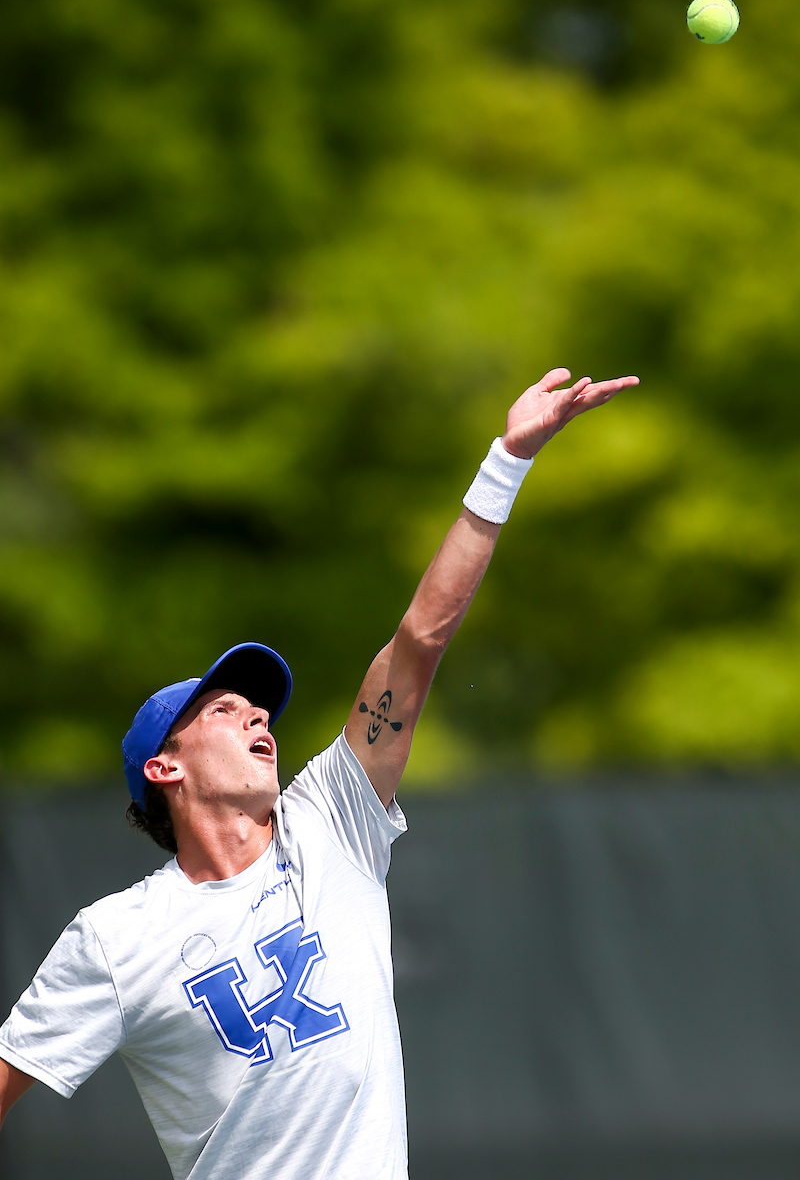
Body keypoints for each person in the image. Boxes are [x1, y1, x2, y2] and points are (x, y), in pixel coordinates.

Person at [0, 367, 638, 1179]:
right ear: (164, 767)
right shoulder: (117, 939)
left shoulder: (332, 819)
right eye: (224, 712)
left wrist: (505, 462)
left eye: (260, 709)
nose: (259, 718)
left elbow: (421, 639)